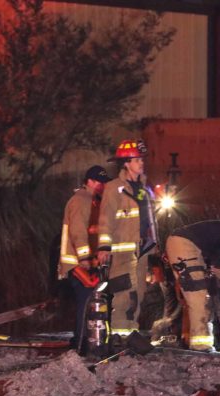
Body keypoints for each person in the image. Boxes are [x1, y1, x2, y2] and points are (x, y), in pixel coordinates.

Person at [97, 139, 159, 339]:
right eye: (136, 159)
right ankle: (117, 337)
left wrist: (155, 249)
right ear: (126, 163)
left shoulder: (144, 189)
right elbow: (105, 219)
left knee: (139, 294)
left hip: (142, 250)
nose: (141, 163)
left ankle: (130, 334)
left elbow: (151, 221)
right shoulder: (114, 188)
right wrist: (104, 246)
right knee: (124, 294)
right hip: (123, 251)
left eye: (141, 159)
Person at [58, 165, 112, 351]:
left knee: (89, 301)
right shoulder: (80, 201)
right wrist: (85, 258)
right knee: (85, 302)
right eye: (99, 182)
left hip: (85, 261)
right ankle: (80, 345)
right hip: (77, 263)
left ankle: (86, 342)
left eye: (104, 183)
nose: (102, 186)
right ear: (89, 181)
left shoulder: (91, 201)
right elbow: (78, 232)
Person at [165, 219, 220, 351]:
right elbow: (218, 267)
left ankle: (202, 343)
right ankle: (201, 346)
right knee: (199, 298)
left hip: (185, 246)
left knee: (202, 298)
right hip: (185, 246)